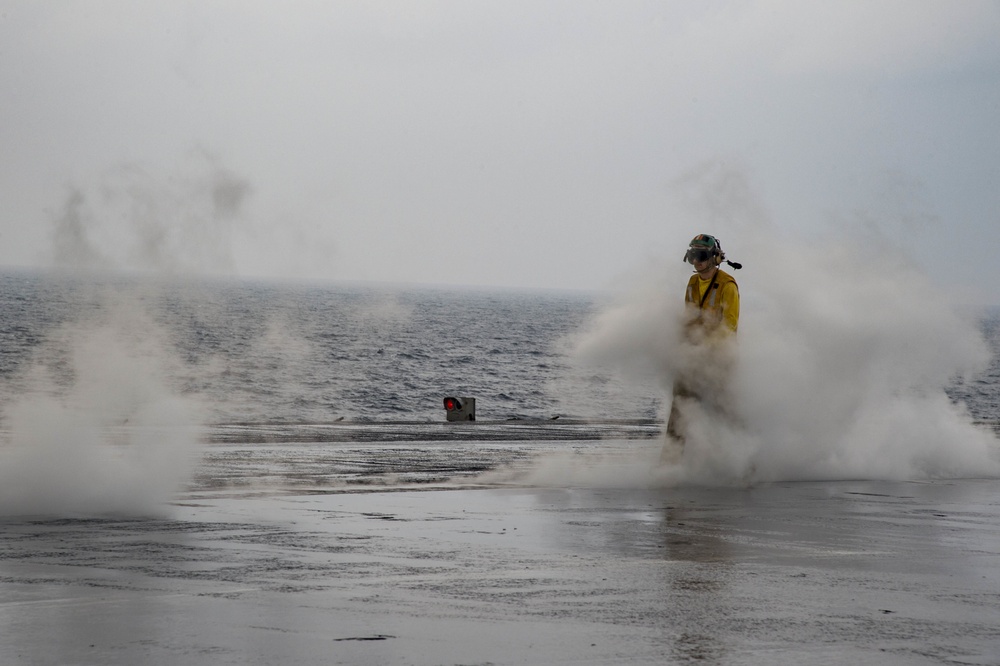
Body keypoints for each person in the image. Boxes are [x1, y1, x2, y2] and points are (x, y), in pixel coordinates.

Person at [661, 233, 741, 464]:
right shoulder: (693, 283)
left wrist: (706, 350)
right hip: (692, 356)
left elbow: (730, 326)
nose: (696, 261)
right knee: (679, 408)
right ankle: (669, 463)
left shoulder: (727, 285)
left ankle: (743, 465)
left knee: (724, 413)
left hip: (719, 359)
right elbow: (688, 319)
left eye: (702, 256)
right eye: (693, 256)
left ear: (715, 258)